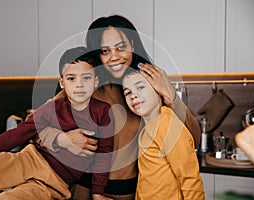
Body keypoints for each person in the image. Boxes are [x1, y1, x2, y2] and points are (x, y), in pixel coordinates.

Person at [38, 15, 201, 199]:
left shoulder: (149, 84)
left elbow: (193, 139)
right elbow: (39, 129)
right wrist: (62, 138)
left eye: (121, 47)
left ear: (132, 44)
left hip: (133, 193)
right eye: (105, 51)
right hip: (86, 191)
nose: (114, 57)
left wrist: (169, 94)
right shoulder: (86, 83)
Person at [0, 46, 114, 200]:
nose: (79, 84)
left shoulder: (103, 112)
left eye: (86, 78)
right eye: (71, 78)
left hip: (55, 182)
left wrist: (98, 193)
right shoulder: (52, 108)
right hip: (30, 160)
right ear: (62, 82)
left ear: (96, 81)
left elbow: (104, 154)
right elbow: (18, 134)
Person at [122, 67, 204, 199]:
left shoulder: (167, 124)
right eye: (127, 92)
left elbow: (189, 177)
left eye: (140, 87)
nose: (133, 95)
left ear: (158, 91)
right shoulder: (147, 128)